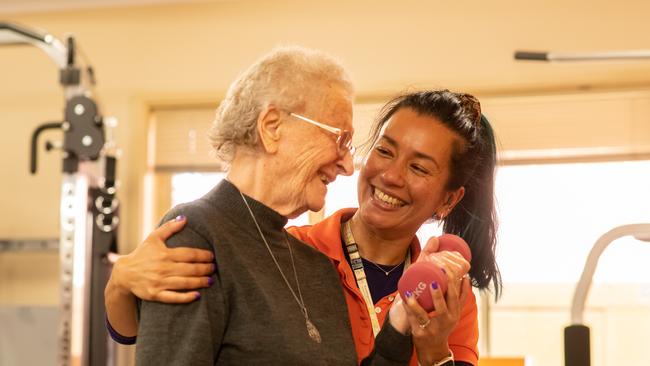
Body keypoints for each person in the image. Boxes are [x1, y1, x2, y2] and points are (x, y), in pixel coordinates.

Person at [106, 89, 502, 366]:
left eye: (418, 167)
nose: (391, 176)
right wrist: (120, 281)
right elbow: (146, 332)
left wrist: (434, 350)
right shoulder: (290, 254)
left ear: (448, 199)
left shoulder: (449, 295)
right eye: (384, 150)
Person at [114, 46, 419, 365]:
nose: (346, 165)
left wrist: (399, 324)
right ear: (272, 127)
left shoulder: (317, 268)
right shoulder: (196, 236)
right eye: (339, 139)